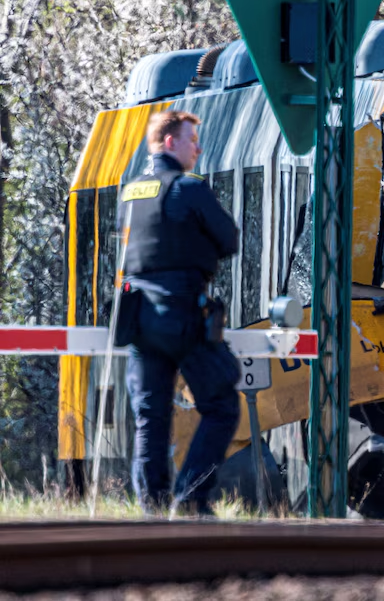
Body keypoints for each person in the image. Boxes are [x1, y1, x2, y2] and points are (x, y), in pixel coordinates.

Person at [118, 110, 241, 517]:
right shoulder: (189, 189)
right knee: (222, 404)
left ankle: (152, 509)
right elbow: (229, 239)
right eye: (192, 140)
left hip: (137, 319)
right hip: (182, 312)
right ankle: (190, 497)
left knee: (150, 416)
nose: (198, 149)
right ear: (170, 142)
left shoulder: (131, 192)